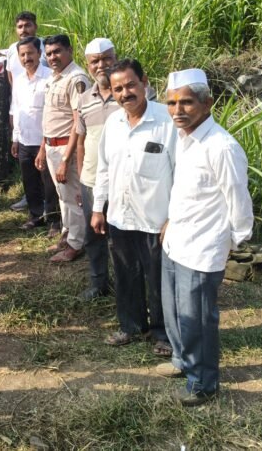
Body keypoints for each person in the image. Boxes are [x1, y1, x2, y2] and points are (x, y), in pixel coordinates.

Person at [157, 68, 253, 406]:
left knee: (197, 319)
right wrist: (170, 222)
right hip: (176, 241)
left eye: (186, 102)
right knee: (174, 313)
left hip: (202, 248)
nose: (177, 110)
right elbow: (186, 191)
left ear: (207, 102)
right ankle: (182, 360)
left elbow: (239, 202)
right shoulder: (184, 138)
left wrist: (229, 244)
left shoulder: (221, 146)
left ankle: (202, 383)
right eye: (171, 103)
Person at [91, 59, 176, 355]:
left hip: (156, 219)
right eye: (118, 89)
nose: (125, 93)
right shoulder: (113, 123)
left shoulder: (167, 121)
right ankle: (131, 326)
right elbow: (103, 168)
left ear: (144, 82)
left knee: (159, 280)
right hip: (120, 217)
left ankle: (163, 334)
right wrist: (98, 209)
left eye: (130, 85)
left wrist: (174, 217)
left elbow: (182, 172)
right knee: (126, 274)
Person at [36, 34, 89, 263]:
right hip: (52, 146)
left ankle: (76, 244)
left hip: (66, 148)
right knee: (62, 196)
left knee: (73, 198)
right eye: (48, 53)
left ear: (69, 50)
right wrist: (42, 148)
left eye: (57, 51)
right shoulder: (54, 78)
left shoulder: (76, 79)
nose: (52, 57)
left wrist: (66, 159)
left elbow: (78, 123)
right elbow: (52, 118)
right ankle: (67, 235)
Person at [75, 38, 118, 300]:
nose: (101, 65)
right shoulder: (84, 99)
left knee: (120, 239)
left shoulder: (128, 94)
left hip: (121, 181)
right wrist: (81, 179)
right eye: (95, 61)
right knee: (93, 236)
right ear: (88, 65)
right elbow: (81, 142)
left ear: (115, 58)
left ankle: (126, 287)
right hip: (91, 180)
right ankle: (98, 283)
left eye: (106, 58)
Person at [10, 36, 59, 234]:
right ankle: (36, 216)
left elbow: (52, 114)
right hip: (24, 140)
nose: (26, 58)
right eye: (22, 55)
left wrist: (44, 145)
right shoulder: (19, 80)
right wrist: (15, 138)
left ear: (39, 53)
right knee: (30, 182)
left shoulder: (50, 78)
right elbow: (17, 109)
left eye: (30, 53)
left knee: (49, 183)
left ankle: (55, 220)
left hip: (44, 140)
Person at [6, 11, 48, 213]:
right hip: (22, 108)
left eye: (28, 25)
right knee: (27, 164)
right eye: (20, 26)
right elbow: (11, 79)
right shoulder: (12, 51)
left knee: (44, 166)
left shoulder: (46, 50)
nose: (24, 30)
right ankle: (32, 203)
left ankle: (51, 210)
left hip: (43, 116)